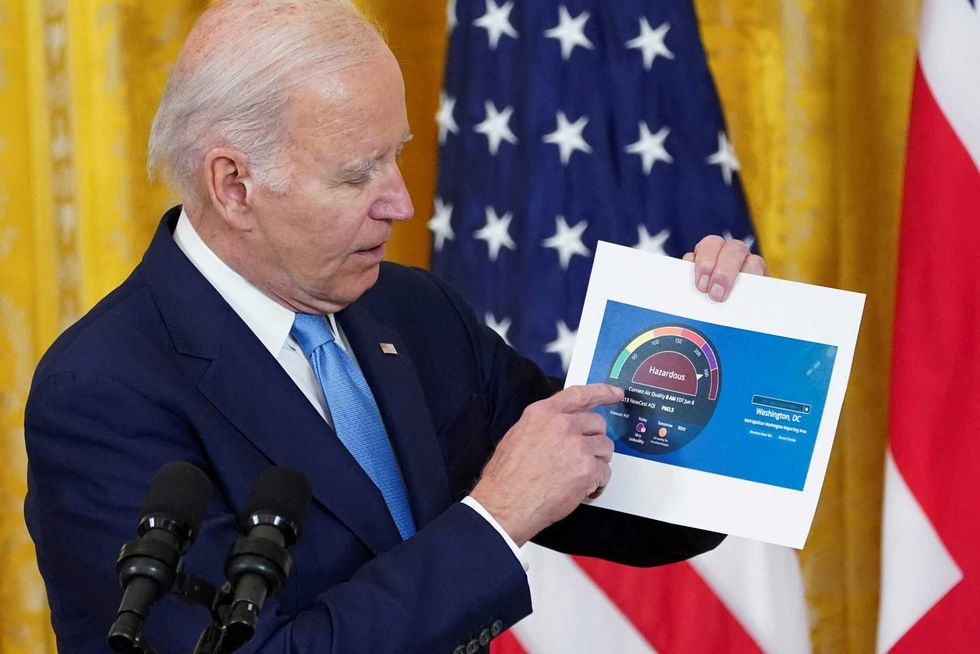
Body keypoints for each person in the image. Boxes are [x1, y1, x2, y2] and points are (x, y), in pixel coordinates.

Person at [23, 1, 767, 652]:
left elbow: (635, 513)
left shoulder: (416, 314)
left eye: (398, 158)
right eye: (357, 174)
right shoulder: (104, 392)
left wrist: (716, 345)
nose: (401, 204)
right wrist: (495, 517)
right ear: (234, 185)